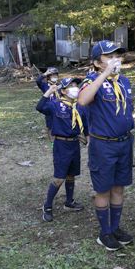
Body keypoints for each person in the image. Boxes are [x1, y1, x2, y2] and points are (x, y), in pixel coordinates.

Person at [78, 40, 134, 251]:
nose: (115, 60)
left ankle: (115, 227)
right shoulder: (91, 80)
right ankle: (105, 233)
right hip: (103, 146)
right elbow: (83, 100)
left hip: (124, 143)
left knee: (119, 187)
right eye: (109, 56)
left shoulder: (124, 82)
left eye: (117, 55)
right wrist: (104, 75)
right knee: (103, 190)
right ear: (97, 63)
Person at [37, 77, 89, 222]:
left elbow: (85, 124)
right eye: (71, 86)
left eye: (76, 86)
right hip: (61, 145)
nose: (75, 88)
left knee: (71, 175)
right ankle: (47, 206)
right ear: (64, 91)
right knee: (59, 177)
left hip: (74, 144)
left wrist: (88, 139)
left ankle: (69, 202)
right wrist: (49, 91)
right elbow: (40, 107)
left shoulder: (79, 106)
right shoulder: (55, 105)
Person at [36, 67, 61, 139]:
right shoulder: (45, 85)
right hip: (49, 106)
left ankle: (58, 136)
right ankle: (52, 140)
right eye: (52, 75)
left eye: (56, 75)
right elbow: (38, 81)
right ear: (48, 77)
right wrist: (45, 74)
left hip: (58, 106)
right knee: (50, 124)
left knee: (59, 121)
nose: (54, 77)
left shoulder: (60, 85)